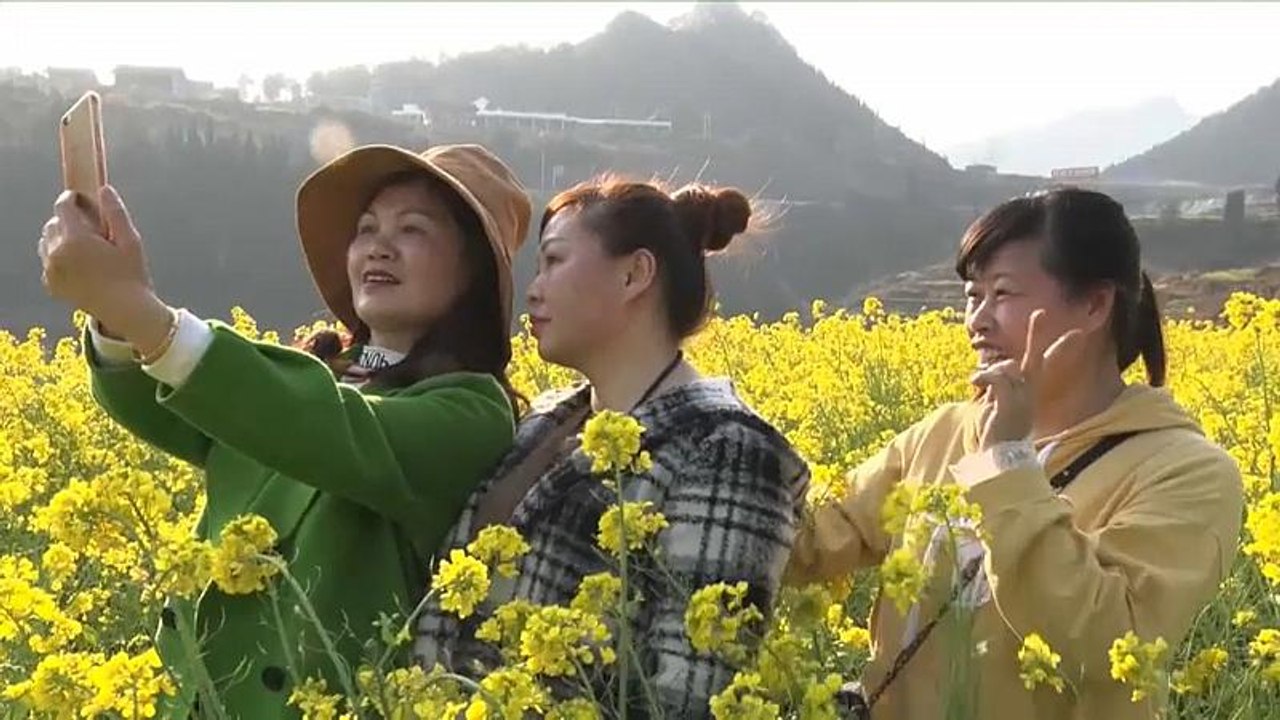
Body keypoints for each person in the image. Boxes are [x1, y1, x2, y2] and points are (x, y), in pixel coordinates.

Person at [37, 143, 531, 717]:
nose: (378, 245)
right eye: (366, 228)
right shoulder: (316, 376)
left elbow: (325, 428)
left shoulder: (471, 412)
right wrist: (113, 314)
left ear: (472, 270)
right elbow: (161, 401)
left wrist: (134, 304)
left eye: (412, 230)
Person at [786, 187, 1244, 720]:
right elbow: (816, 537)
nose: (976, 321)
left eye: (1001, 294)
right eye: (971, 296)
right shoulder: (943, 433)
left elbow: (1112, 643)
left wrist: (1005, 461)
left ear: (1095, 304)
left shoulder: (1187, 471)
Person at [414, 176, 809, 717]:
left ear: (634, 274)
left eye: (554, 261)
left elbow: (692, 697)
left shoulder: (727, 451)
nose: (533, 291)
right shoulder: (549, 420)